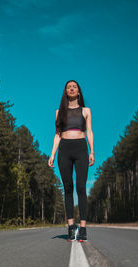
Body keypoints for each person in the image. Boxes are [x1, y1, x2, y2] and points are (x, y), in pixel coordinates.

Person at [48, 80, 95, 242]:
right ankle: (70, 226)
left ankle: (82, 227)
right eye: (69, 87)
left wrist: (92, 151)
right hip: (64, 150)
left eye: (74, 86)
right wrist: (52, 154)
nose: (72, 88)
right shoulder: (59, 112)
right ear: (66, 92)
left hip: (81, 148)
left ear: (79, 91)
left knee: (81, 187)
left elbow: (89, 131)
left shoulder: (86, 111)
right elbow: (57, 135)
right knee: (68, 187)